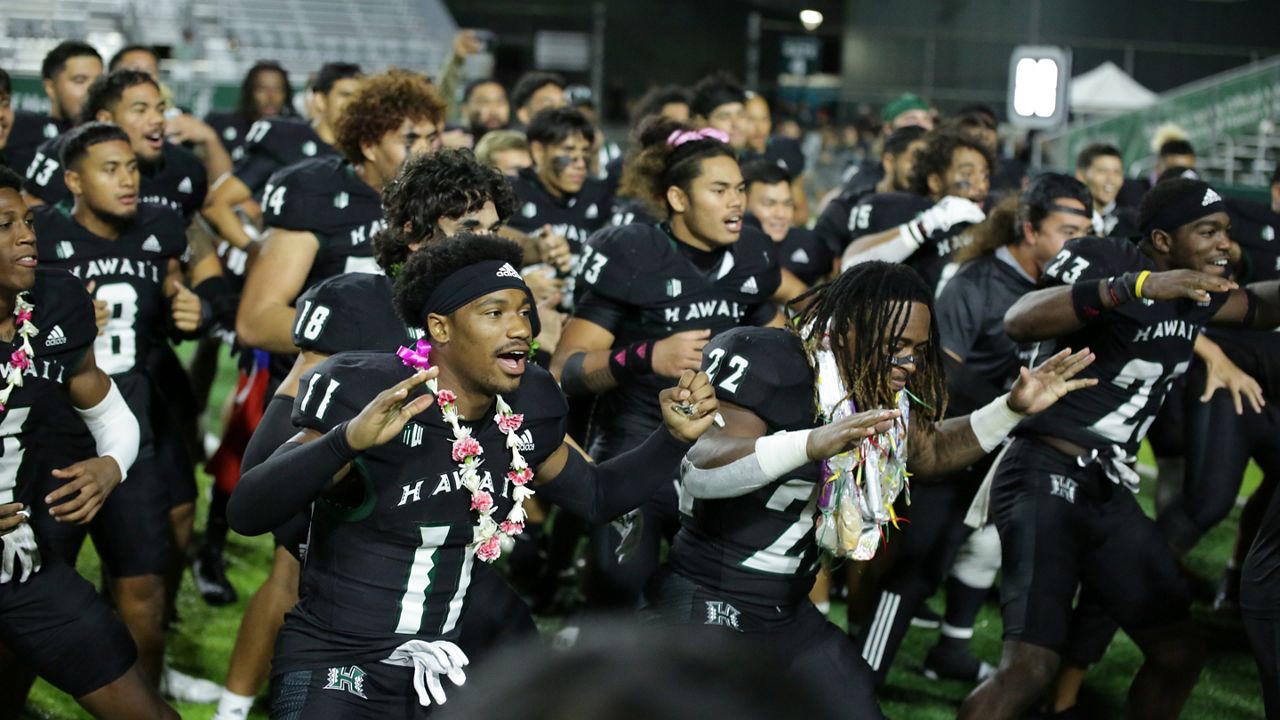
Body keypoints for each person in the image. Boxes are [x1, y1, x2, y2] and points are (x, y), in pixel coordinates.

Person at [227, 233, 719, 718]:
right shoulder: (371, 393)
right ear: (440, 328)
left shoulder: (530, 403)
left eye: (525, 312)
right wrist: (344, 440)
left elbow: (596, 496)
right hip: (338, 664)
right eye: (495, 313)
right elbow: (248, 511)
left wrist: (671, 439)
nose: (521, 329)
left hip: (442, 666)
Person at [645, 260, 1094, 719]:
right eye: (896, 345)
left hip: (786, 608)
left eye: (918, 349)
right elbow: (701, 469)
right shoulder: (769, 358)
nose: (909, 363)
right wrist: (811, 442)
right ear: (847, 330)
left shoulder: (876, 386)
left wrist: (1012, 408)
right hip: (711, 593)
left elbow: (932, 452)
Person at [211, 149, 521, 720]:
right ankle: (234, 708)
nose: (488, 244)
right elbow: (270, 460)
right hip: (352, 524)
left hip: (441, 535)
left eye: (494, 230)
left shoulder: (496, 314)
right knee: (292, 578)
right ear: (412, 232)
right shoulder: (358, 302)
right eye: (469, 228)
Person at [959, 178, 1280, 720]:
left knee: (1180, 651)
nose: (1225, 244)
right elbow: (1022, 318)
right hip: (1045, 470)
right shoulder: (1105, 257)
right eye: (1208, 231)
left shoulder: (1201, 291)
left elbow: (1262, 307)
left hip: (1106, 486)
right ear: (1160, 239)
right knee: (1029, 669)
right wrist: (1136, 287)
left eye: (1225, 231)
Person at [201, 69, 445, 605]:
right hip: (321, 388)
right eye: (412, 138)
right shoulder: (316, 190)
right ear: (367, 141)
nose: (426, 150)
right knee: (297, 566)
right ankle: (265, 686)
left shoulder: (441, 208)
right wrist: (362, 337)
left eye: (433, 136)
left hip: (411, 398)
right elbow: (257, 320)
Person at [853, 174, 1094, 686]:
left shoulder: (1069, 287)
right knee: (916, 566)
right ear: (1029, 230)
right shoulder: (976, 282)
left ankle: (952, 650)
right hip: (958, 441)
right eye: (1066, 230)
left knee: (988, 549)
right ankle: (861, 679)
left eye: (1086, 232)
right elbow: (934, 376)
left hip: (1020, 446)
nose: (1078, 244)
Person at [551, 117, 784, 610]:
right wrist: (646, 356)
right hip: (637, 447)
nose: (736, 201)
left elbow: (777, 333)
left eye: (740, 189)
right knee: (619, 593)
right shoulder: (633, 251)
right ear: (679, 199)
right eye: (719, 190)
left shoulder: (752, 255)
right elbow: (564, 370)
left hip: (721, 446)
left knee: (723, 603)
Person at [30, 122, 223, 699]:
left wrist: (190, 310)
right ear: (73, 181)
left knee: (143, 588)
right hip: (52, 442)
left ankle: (144, 699)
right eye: (109, 169)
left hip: (127, 436)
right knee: (29, 589)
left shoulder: (161, 228)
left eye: (131, 167)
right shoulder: (38, 233)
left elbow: (174, 298)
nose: (127, 178)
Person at [0, 164, 177, 720]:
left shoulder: (54, 300)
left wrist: (110, 466)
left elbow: (106, 409)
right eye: (5, 225)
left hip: (18, 568)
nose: (27, 235)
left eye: (27, 221)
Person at [201, 62, 363, 254]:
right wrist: (254, 251)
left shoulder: (367, 152)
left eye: (361, 97)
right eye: (345, 95)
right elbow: (216, 204)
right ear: (320, 100)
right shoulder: (288, 140)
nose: (355, 104)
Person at [23, 69, 208, 221]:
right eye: (140, 110)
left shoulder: (187, 167)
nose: (158, 119)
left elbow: (193, 233)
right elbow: (26, 221)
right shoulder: (60, 157)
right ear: (106, 119)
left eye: (160, 109)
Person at [841, 130, 991, 291]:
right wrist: (925, 225)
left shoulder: (991, 212)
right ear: (935, 181)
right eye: (967, 174)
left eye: (984, 176)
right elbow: (852, 266)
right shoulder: (907, 210)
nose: (982, 186)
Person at [504, 106, 611, 280]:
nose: (581, 163)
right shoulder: (508, 194)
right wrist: (521, 283)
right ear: (538, 151)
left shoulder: (599, 194)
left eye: (585, 152)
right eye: (568, 151)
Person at [813, 125, 927, 263]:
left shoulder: (934, 213)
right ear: (889, 162)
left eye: (928, 163)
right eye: (915, 160)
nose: (922, 170)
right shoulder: (845, 210)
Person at [741, 158, 831, 286]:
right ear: (743, 203)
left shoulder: (812, 245)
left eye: (787, 204)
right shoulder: (727, 254)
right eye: (769, 204)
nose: (781, 214)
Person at [204, 61, 295, 160]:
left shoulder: (296, 131)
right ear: (249, 92)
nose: (271, 97)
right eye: (262, 89)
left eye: (278, 89)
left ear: (286, 94)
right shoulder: (219, 123)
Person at [742, 93, 808, 223]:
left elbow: (800, 209)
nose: (759, 127)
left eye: (764, 119)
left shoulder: (786, 149)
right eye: (751, 119)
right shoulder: (731, 159)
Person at [1075, 143, 1138, 238]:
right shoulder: (1070, 220)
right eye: (1102, 171)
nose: (1111, 179)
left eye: (1117, 172)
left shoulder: (1133, 222)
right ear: (1081, 176)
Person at [689, 72, 750, 152]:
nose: (736, 124)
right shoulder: (692, 163)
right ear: (701, 123)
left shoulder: (756, 161)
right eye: (724, 117)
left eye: (741, 115)